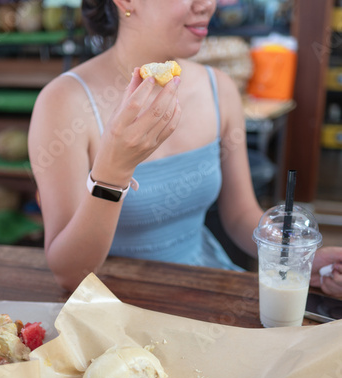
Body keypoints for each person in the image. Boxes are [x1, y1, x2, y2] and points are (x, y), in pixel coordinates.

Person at [28, 0, 342, 297]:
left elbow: (240, 214)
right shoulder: (62, 103)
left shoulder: (219, 87)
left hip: (204, 288)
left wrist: (293, 258)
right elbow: (70, 273)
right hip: (113, 309)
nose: (207, 4)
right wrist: (114, 171)